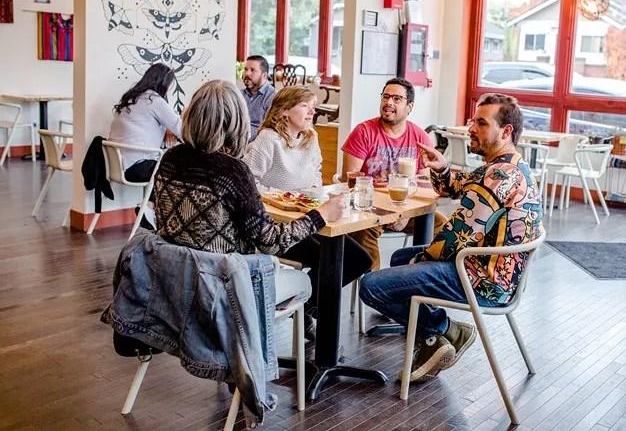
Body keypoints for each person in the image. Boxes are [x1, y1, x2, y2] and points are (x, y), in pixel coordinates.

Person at [359, 94, 544, 383]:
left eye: (481, 123)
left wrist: (421, 261)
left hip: (483, 281)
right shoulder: (508, 167)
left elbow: (457, 239)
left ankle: (440, 332)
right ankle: (438, 334)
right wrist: (443, 168)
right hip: (497, 272)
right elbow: (457, 186)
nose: (471, 128)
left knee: (371, 286)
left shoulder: (498, 177)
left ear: (506, 131)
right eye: (473, 120)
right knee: (399, 259)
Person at [151, 78, 346, 269]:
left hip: (172, 272)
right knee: (311, 278)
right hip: (225, 281)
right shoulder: (233, 171)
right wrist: (321, 214)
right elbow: (271, 242)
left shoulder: (169, 158)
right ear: (237, 121)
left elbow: (160, 218)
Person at [244, 85, 373, 337]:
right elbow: (248, 182)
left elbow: (315, 177)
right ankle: (310, 315)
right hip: (278, 227)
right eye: (305, 105)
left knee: (361, 260)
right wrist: (277, 196)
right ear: (283, 111)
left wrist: (319, 196)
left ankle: (304, 308)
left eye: (312, 105)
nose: (312, 111)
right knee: (330, 262)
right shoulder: (268, 140)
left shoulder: (310, 137)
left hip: (312, 219)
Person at [341, 77, 447, 270]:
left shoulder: (419, 137)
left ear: (409, 106)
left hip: (403, 208)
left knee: (442, 225)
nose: (389, 102)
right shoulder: (363, 132)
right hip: (368, 210)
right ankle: (373, 286)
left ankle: (417, 277)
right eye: (386, 97)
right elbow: (349, 179)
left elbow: (424, 186)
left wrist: (405, 214)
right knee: (364, 232)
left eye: (397, 99)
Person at [108, 63, 182, 182]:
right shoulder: (153, 100)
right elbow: (181, 129)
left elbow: (144, 125)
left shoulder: (131, 98)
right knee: (181, 166)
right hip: (139, 168)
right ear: (163, 83)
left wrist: (167, 128)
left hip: (117, 166)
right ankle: (158, 200)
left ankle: (152, 200)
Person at [242, 55, 276, 140]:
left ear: (264, 75)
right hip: (236, 140)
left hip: (258, 144)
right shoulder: (239, 94)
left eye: (252, 70)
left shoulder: (273, 96)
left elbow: (271, 130)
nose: (247, 73)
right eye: (246, 69)